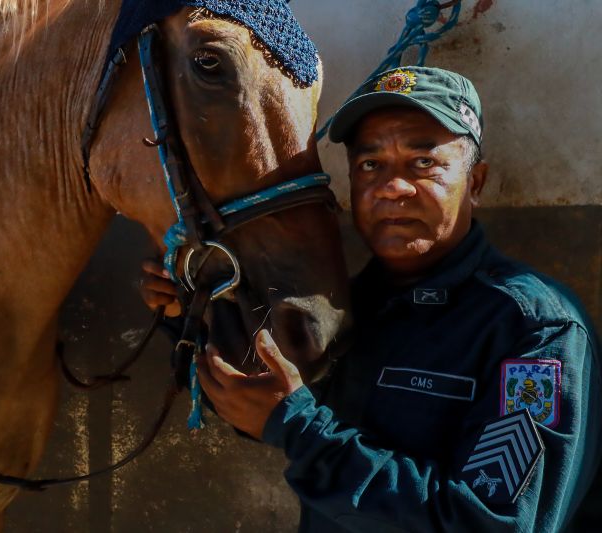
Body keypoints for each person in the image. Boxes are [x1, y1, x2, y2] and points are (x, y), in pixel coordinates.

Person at [140, 66, 601, 531]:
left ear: (475, 183)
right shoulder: (348, 305)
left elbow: (489, 521)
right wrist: (188, 318)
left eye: (423, 163)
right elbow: (261, 406)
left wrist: (300, 429)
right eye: (370, 165)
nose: (392, 187)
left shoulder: (533, 331)